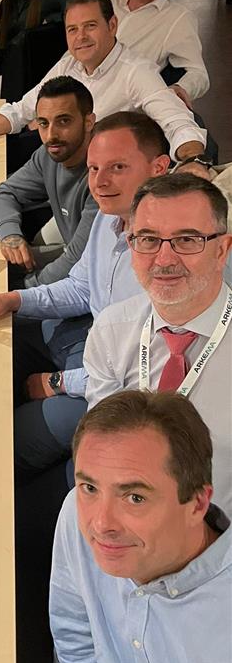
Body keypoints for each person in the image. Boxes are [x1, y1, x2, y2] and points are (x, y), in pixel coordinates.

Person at [0, 114, 171, 480]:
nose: (100, 181)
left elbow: (141, 373)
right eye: (94, 168)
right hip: (87, 341)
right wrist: (14, 300)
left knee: (6, 441)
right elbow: (81, 287)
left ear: (158, 168)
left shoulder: (170, 259)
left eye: (117, 167)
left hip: (120, 393)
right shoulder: (109, 216)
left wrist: (57, 382)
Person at [47, 390, 232, 663]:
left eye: (134, 497)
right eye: (90, 488)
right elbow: (73, 629)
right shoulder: (77, 521)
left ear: (197, 503)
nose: (101, 523)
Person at [83, 173, 232, 510]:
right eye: (149, 239)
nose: (164, 260)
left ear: (221, 250)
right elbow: (104, 442)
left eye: (187, 240)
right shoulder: (112, 331)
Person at [0, 0, 207, 165]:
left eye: (90, 26)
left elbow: (178, 123)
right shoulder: (69, 64)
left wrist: (194, 162)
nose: (81, 37)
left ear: (112, 26)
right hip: (57, 162)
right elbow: (22, 109)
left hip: (97, 180)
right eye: (72, 29)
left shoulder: (137, 72)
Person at [0, 76, 97, 287]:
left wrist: (21, 294)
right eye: (44, 123)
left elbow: (78, 260)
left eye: (63, 121)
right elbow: (5, 194)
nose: (51, 135)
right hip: (70, 249)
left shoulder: (102, 174)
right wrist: (11, 236)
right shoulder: (48, 154)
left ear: (88, 122)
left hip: (89, 278)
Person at [112, 0, 209, 105]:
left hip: (119, 107)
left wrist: (180, 88)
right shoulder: (107, 5)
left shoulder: (177, 18)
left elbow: (199, 74)